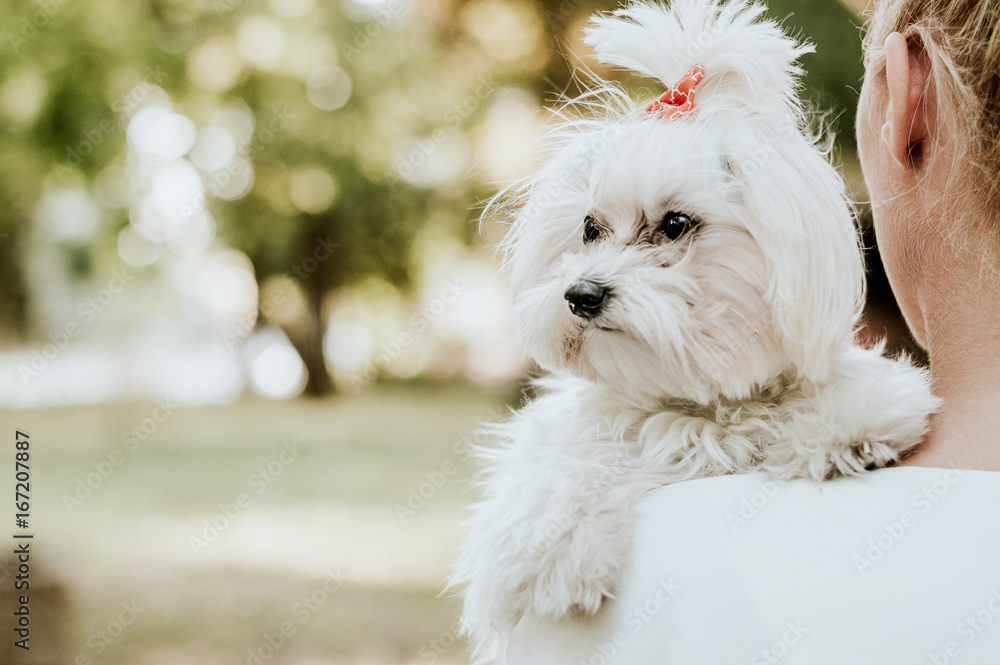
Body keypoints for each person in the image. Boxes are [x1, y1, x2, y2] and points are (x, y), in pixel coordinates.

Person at [506, 1, 1000, 662]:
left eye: (673, 229)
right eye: (592, 232)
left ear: (914, 95)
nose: (591, 280)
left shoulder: (654, 580)